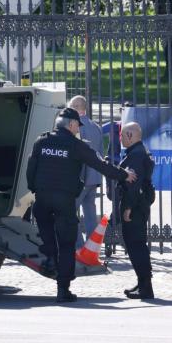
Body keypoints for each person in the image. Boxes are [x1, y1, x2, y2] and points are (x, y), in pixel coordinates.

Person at [26, 107, 136, 303]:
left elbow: (31, 169)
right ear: (70, 124)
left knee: (47, 237)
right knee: (67, 245)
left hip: (42, 199)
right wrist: (124, 175)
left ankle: (50, 258)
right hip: (64, 201)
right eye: (77, 125)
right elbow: (100, 165)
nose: (79, 129)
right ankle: (63, 289)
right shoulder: (75, 146)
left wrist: (35, 189)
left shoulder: (41, 141)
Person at [117, 122, 155, 299]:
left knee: (136, 245)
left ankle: (145, 287)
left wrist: (128, 208)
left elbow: (134, 185)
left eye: (122, 135)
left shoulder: (136, 156)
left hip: (135, 207)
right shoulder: (138, 152)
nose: (120, 138)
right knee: (136, 244)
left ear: (130, 136)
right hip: (139, 205)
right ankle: (142, 283)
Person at [68, 95, 105, 250]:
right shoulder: (96, 127)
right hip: (94, 176)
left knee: (70, 212)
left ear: (77, 107)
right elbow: (101, 153)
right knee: (90, 213)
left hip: (81, 177)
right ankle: (92, 246)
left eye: (70, 107)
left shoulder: (76, 126)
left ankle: (79, 246)